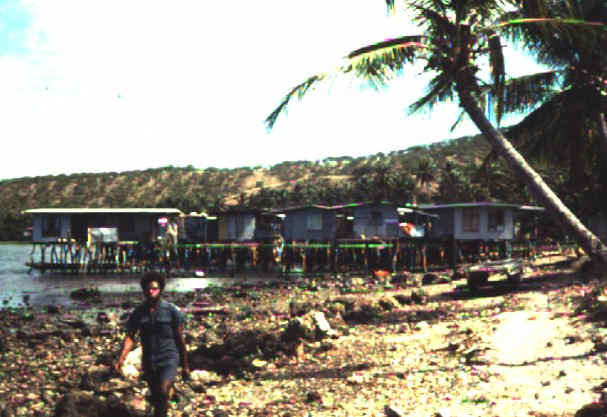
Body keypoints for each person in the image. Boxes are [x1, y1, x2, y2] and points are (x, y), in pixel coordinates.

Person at [114, 271, 190, 417]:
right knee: (157, 397)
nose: (151, 292)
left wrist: (185, 365)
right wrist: (121, 357)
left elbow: (180, 338)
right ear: (144, 291)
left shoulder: (172, 311)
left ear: (160, 290)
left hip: (169, 358)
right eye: (148, 289)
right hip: (149, 360)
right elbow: (130, 336)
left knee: (163, 390)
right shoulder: (139, 312)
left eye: (154, 289)